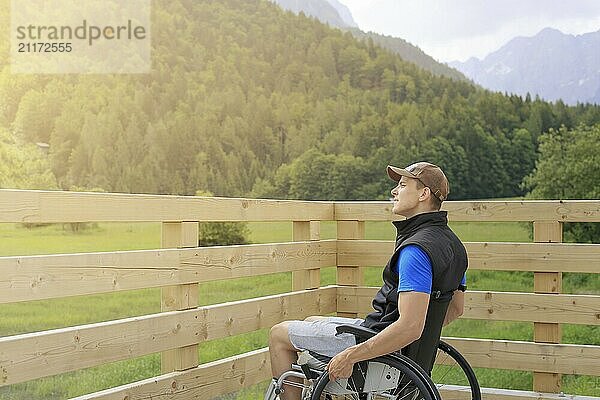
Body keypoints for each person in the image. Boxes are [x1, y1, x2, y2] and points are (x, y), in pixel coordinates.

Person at [268, 162, 468, 399]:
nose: (394, 191)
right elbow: (455, 309)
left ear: (424, 194)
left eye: (403, 185)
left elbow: (410, 327)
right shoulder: (455, 246)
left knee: (279, 334)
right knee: (312, 320)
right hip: (400, 350)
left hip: (378, 347)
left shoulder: (416, 250)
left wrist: (352, 355)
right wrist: (414, 345)